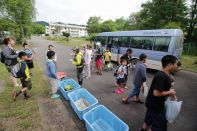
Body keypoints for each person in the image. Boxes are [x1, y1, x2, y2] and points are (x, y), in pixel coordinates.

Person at [140, 55, 177, 131]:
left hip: (152, 103)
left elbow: (160, 90)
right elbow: (156, 93)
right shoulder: (161, 76)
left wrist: (170, 93)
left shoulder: (165, 75)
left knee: (148, 119)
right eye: (175, 64)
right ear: (169, 64)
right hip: (156, 105)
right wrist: (170, 92)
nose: (176, 66)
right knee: (160, 126)